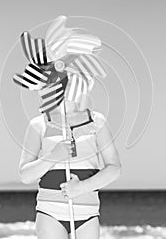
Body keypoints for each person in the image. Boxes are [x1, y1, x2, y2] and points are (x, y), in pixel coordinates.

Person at [18, 96, 122, 239]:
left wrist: (81, 187)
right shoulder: (39, 124)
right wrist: (54, 156)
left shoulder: (97, 122)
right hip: (50, 213)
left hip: (87, 214)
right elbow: (25, 175)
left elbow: (114, 168)